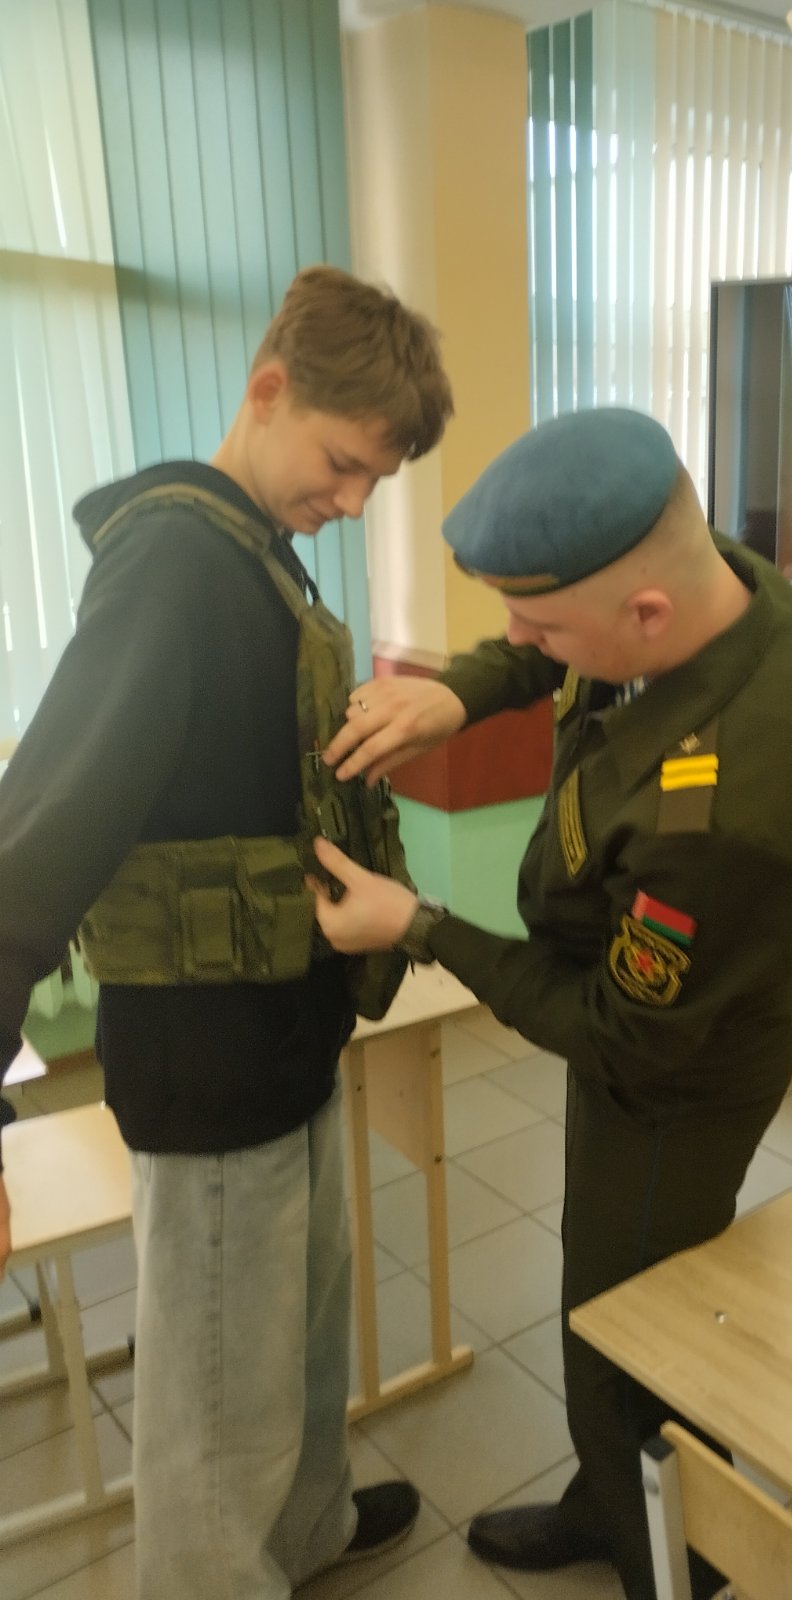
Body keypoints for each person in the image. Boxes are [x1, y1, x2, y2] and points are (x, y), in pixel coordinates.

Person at [313, 407, 792, 1600]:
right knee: (610, 1305)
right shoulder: (721, 588)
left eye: (539, 625)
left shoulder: (726, 810)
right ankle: (607, 1503)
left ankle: (672, 1563)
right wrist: (460, 694)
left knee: (620, 1341)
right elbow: (556, 648)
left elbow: (616, 1031)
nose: (520, 641)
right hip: (643, 1036)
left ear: (642, 616)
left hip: (669, 1089)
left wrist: (421, 926)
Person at [0, 265, 454, 1598]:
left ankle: (304, 1532)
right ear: (267, 390)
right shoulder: (171, 564)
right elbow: (51, 815)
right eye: (342, 463)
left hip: (283, 1033)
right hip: (208, 1062)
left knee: (298, 1341)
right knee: (218, 1399)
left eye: (375, 478)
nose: (354, 501)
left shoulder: (254, 550)